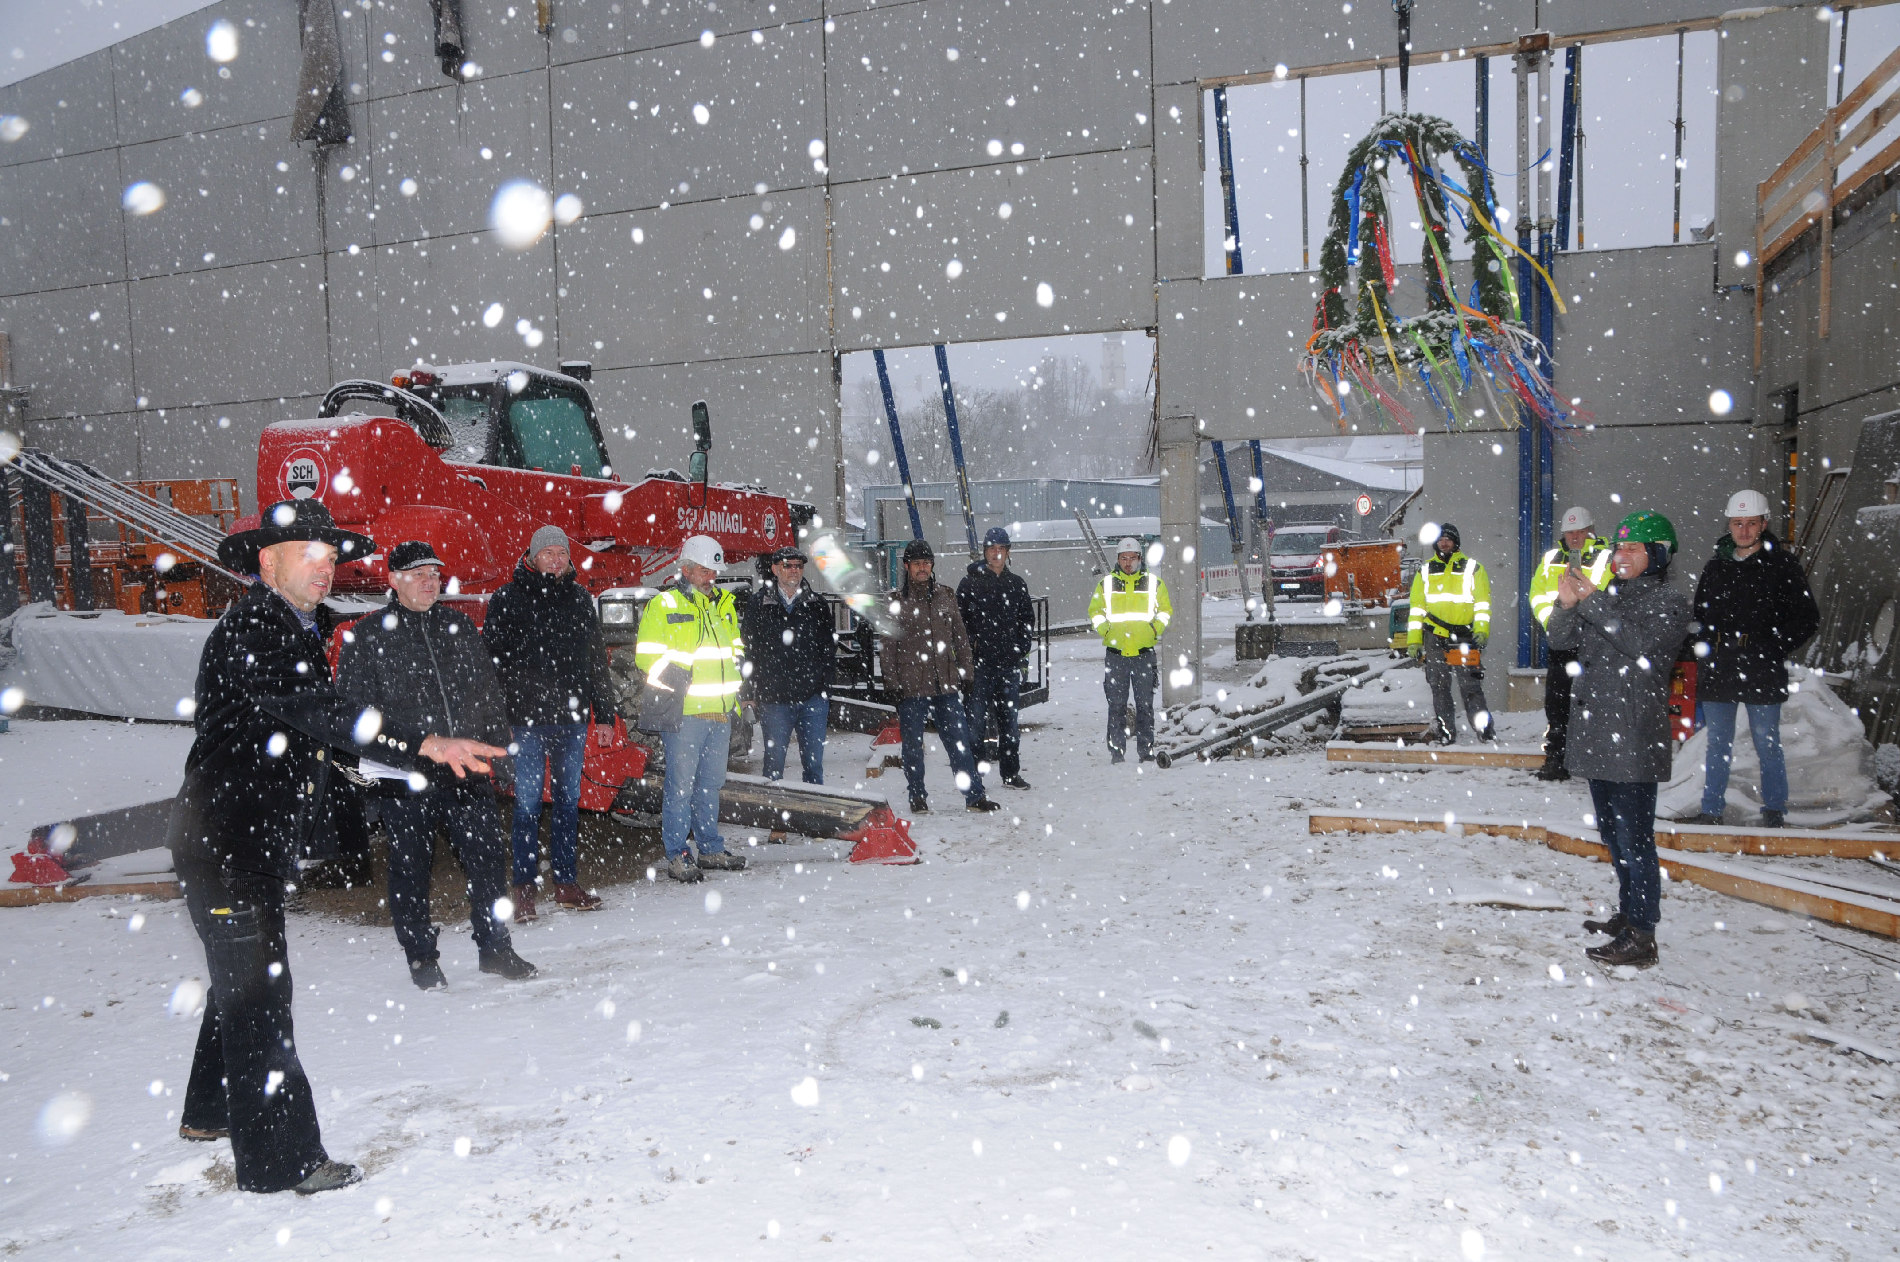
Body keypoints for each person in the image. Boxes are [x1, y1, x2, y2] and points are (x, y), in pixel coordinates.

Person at [167, 500, 504, 1194]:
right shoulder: (256, 627)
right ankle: (281, 1162)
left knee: (242, 985)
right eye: (307, 556)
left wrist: (377, 768)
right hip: (226, 843)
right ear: (268, 562)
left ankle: (208, 1114)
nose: (324, 570)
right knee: (261, 993)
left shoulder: (291, 627)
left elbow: (311, 736)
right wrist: (422, 740)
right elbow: (322, 713)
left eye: (330, 558)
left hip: (240, 839)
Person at [336, 541, 537, 990]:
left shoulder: (458, 626)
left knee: (486, 861)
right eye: (419, 574)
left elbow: (487, 694)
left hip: (463, 771)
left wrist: (498, 755)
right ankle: (422, 958)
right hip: (404, 776)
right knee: (411, 868)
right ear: (393, 580)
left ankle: (495, 948)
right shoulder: (367, 637)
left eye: (435, 574)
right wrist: (370, 777)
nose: (431, 582)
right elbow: (354, 715)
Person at [1547, 510, 1691, 969]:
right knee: (1613, 834)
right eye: (1619, 548)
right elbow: (1559, 641)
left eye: (1632, 548)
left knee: (1635, 838)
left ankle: (1643, 935)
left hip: (1631, 736)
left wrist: (1590, 601)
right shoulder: (1607, 596)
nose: (1621, 556)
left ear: (1658, 555)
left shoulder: (1669, 602)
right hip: (1598, 734)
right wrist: (1566, 604)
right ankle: (1628, 915)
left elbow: (1639, 647)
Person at [483, 524, 616, 918]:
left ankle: (566, 882)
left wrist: (604, 714)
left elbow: (596, 660)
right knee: (525, 806)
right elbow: (492, 662)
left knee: (567, 803)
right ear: (533, 556)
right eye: (549, 553)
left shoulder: (579, 599)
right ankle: (524, 888)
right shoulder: (507, 599)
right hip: (524, 722)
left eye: (562, 554)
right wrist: (498, 717)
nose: (557, 560)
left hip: (571, 722)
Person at [1691, 489, 1821, 828]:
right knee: (1717, 744)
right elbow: (1699, 615)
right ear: (1729, 525)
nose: (1744, 530)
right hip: (1720, 665)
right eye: (1738, 523)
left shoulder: (1782, 566)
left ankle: (1774, 811)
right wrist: (1704, 646)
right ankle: (1711, 811)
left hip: (1761, 666)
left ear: (1763, 524)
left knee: (1767, 742)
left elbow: (1807, 617)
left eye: (1751, 523)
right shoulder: (1716, 566)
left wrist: (1773, 645)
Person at [635, 534, 750, 881]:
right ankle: (678, 853)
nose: (710, 576)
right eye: (704, 570)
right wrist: (679, 685)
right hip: (686, 715)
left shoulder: (724, 605)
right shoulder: (665, 605)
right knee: (681, 787)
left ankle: (710, 848)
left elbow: (735, 650)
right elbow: (647, 657)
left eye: (714, 571)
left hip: (720, 713)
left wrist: (737, 686)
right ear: (685, 569)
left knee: (709, 786)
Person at [888, 538, 999, 813]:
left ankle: (974, 796)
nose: (922, 568)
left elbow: (960, 638)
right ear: (907, 566)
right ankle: (917, 796)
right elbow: (887, 646)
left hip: (945, 684)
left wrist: (967, 672)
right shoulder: (895, 601)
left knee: (959, 743)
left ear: (932, 565)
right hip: (911, 686)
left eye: (926, 563)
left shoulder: (946, 596)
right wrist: (891, 683)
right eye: (917, 564)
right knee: (913, 747)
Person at [1527, 507, 1611, 780]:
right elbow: (1537, 595)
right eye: (1570, 532)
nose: (1574, 537)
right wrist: (1554, 623)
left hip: (1595, 645)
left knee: (1596, 704)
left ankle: (1595, 761)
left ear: (1590, 530)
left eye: (1580, 531)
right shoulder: (1552, 557)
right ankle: (1557, 759)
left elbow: (1612, 598)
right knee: (1558, 705)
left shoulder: (1607, 556)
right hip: (1562, 645)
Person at [740, 545, 834, 785]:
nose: (794, 571)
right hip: (774, 700)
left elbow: (828, 650)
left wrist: (823, 688)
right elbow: (749, 650)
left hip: (812, 699)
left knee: (814, 765)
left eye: (799, 566)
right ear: (774, 569)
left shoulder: (817, 605)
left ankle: (813, 816)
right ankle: (774, 819)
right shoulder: (758, 605)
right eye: (788, 566)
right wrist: (749, 692)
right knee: (773, 764)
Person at [956, 526, 1036, 790]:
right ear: (985, 552)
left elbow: (1026, 620)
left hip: (1008, 666)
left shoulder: (1016, 585)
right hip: (980, 668)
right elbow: (959, 623)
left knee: (1010, 725)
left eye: (1001, 548)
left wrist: (1019, 649)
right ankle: (976, 775)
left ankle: (1011, 774)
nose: (996, 553)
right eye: (992, 549)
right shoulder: (970, 584)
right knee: (975, 724)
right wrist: (972, 648)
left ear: (1008, 552)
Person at [1406, 523, 1494, 744]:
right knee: (1439, 686)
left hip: (1464, 637)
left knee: (1470, 686)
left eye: (1449, 538)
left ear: (1456, 542)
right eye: (1441, 538)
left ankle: (1485, 731)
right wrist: (1414, 641)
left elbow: (1482, 604)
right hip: (1435, 637)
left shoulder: (1473, 568)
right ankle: (1446, 732)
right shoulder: (1424, 570)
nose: (1444, 542)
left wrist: (1482, 631)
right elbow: (1416, 609)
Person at [1088, 537, 1172, 764]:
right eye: (1124, 558)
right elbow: (1095, 611)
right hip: (1116, 655)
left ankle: (1145, 751)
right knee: (1116, 706)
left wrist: (1154, 629)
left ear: (1139, 559)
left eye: (1132, 558)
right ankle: (1117, 752)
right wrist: (1106, 631)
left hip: (1144, 654)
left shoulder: (1154, 584)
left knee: (1145, 705)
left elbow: (1165, 610)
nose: (1128, 563)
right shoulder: (1106, 584)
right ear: (1118, 559)